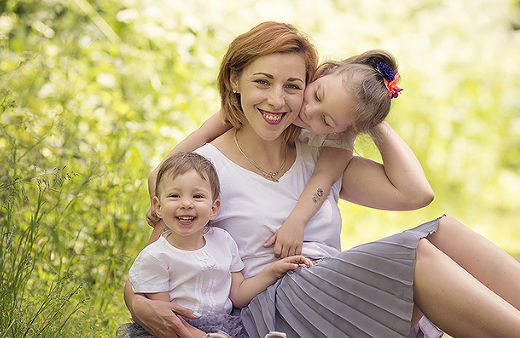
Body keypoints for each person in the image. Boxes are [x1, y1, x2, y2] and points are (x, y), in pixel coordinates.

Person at [126, 21, 520, 338]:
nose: (277, 100)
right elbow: (159, 256)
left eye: (294, 86)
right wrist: (138, 302)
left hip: (327, 293)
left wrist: (367, 114)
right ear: (235, 83)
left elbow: (413, 193)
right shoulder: (203, 170)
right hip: (268, 306)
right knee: (414, 254)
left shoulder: (319, 152)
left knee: (446, 231)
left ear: (311, 87)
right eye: (262, 83)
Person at [145, 48, 398, 259]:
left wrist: (368, 113)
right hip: (278, 290)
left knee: (434, 234)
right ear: (323, 73)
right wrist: (159, 184)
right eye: (316, 95)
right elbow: (201, 135)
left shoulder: (333, 137)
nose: (309, 111)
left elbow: (417, 194)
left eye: (326, 119)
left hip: (318, 271)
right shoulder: (253, 109)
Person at [129, 151, 313, 338]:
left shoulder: (223, 242)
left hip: (217, 330)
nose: (186, 203)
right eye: (174, 196)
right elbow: (164, 320)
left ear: (214, 208)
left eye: (197, 196)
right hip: (167, 333)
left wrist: (273, 271)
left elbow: (237, 294)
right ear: (158, 207)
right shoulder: (155, 256)